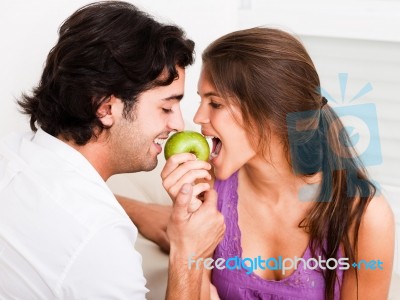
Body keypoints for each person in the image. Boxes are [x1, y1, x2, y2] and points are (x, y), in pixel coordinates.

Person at [0, 1, 225, 299]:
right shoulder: (99, 239)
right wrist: (189, 253)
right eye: (167, 106)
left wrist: (136, 211)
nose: (178, 123)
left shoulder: (11, 152)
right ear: (106, 108)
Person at [161, 27, 395, 299]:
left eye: (215, 103)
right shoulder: (209, 187)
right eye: (201, 100)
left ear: (268, 112)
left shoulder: (365, 215)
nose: (199, 117)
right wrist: (186, 237)